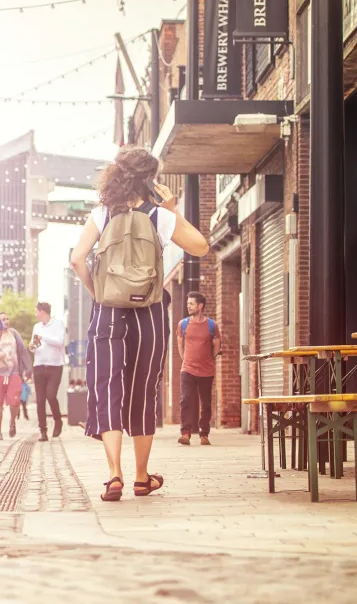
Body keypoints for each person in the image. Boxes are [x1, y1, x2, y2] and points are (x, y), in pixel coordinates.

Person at [69, 146, 209, 502]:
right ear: (149, 179)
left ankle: (114, 474)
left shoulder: (102, 214)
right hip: (148, 312)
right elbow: (201, 247)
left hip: (107, 312)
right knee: (143, 390)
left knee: (107, 388)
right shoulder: (159, 216)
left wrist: (98, 291)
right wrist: (173, 210)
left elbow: (76, 259)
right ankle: (142, 477)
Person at [178, 291, 219, 447]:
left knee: (206, 403)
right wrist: (186, 360)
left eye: (191, 304)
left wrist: (207, 359)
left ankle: (204, 434)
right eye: (188, 303)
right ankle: (186, 433)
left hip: (206, 371)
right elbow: (180, 343)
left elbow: (216, 346)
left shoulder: (211, 325)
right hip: (187, 369)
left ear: (200, 306)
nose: (188, 306)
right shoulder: (183, 324)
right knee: (185, 400)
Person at [0, 312, 33, 439]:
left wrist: (28, 368)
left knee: (15, 402)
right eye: (3, 319)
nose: (6, 321)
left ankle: (12, 422)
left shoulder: (14, 333)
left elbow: (23, 350)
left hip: (14, 373)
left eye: (7, 319)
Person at [31, 302, 68, 441]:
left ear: (42, 312)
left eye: (36, 311)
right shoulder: (37, 327)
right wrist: (33, 346)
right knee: (40, 400)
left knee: (51, 396)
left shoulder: (58, 324)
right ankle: (43, 431)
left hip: (55, 366)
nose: (35, 314)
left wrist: (43, 338)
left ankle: (58, 421)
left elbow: (60, 342)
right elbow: (35, 345)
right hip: (39, 365)